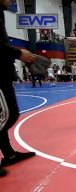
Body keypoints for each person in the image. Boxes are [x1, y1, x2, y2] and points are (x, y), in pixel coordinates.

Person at [0, 0, 37, 177]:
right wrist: (18, 53)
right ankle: (8, 154)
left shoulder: (1, 12)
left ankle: (9, 154)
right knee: (8, 114)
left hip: (4, 71)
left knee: (4, 115)